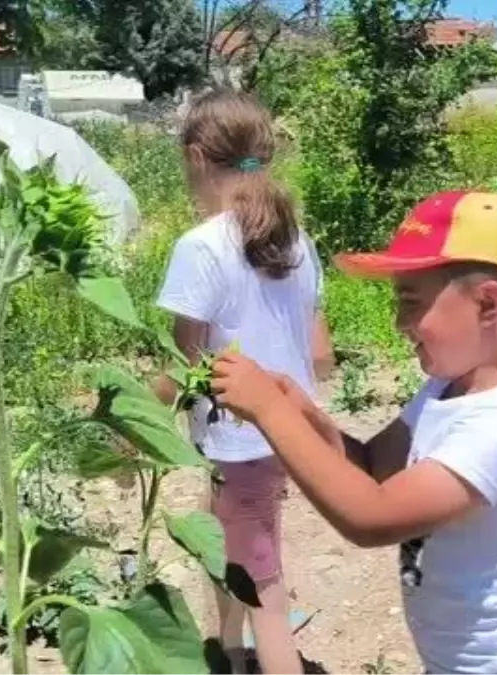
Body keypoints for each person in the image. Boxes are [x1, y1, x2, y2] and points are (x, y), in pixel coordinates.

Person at [209, 190, 497, 674]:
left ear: (488, 305)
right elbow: (371, 467)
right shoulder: (447, 390)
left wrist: (267, 411)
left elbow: (372, 517)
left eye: (412, 303)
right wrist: (298, 412)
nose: (399, 323)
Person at [151, 88, 334, 675]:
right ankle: (229, 653)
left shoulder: (201, 246)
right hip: (288, 435)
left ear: (197, 158)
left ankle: (254, 656)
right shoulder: (297, 241)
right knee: (228, 544)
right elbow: (322, 355)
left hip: (237, 441)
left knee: (267, 591)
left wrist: (126, 426)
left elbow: (187, 361)